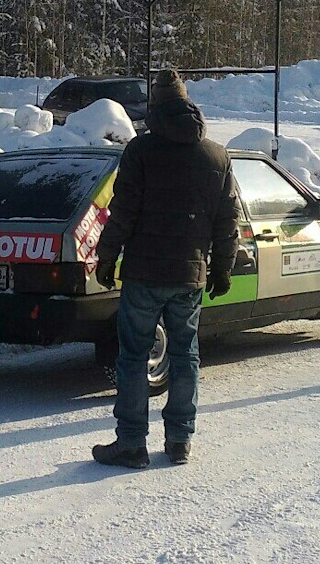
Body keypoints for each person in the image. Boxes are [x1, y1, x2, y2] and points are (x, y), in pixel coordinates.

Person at [91, 69, 241, 469]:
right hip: (190, 275)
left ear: (155, 108)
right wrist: (223, 269)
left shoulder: (141, 152)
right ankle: (179, 441)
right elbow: (228, 221)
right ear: (189, 105)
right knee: (185, 355)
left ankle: (131, 444)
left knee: (133, 357)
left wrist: (107, 256)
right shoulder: (216, 155)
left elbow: (123, 211)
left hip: (144, 273)